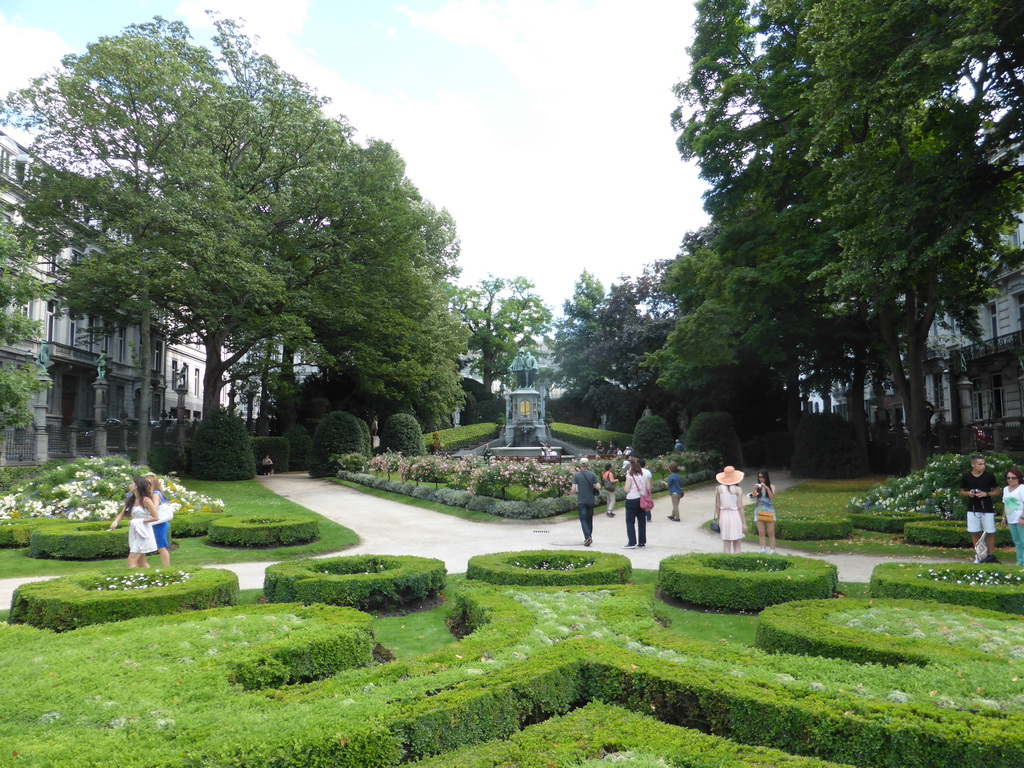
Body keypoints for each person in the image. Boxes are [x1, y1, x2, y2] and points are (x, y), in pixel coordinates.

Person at [108, 476, 159, 568]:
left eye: (132, 483)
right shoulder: (131, 500)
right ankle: (151, 577)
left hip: (143, 532)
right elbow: (122, 513)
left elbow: (156, 517)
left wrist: (138, 521)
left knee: (131, 560)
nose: (130, 485)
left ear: (137, 486)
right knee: (141, 562)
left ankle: (130, 579)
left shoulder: (146, 501)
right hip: (134, 531)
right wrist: (115, 522)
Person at [960, 455, 1000, 562]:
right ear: (973, 465)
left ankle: (990, 556)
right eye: (980, 464)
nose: (983, 466)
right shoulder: (966, 476)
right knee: (974, 532)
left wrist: (986, 494)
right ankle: (979, 555)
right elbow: (962, 491)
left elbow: (997, 492)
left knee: (990, 532)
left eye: (984, 464)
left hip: (987, 508)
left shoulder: (989, 476)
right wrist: (969, 493)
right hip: (972, 508)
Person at [715, 466, 747, 554]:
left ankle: (726, 562)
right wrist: (744, 523)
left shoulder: (719, 489)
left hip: (724, 516)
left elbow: (717, 506)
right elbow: (740, 507)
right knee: (737, 544)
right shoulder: (737, 489)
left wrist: (719, 519)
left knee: (726, 544)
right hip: (735, 515)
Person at [571, 457, 601, 547]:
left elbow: (573, 489)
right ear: (588, 465)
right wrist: (593, 485)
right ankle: (589, 536)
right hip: (590, 500)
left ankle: (587, 536)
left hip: (581, 500)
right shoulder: (592, 475)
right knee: (589, 519)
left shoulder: (576, 475)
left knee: (583, 519)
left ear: (580, 465)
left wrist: (575, 491)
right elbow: (599, 487)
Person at [146, 473, 174, 566]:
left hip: (159, 523)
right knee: (160, 546)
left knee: (161, 546)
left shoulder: (155, 493)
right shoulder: (158, 493)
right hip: (159, 522)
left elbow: (155, 506)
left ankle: (166, 567)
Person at [623, 457, 649, 549]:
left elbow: (626, 489)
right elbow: (648, 488)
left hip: (632, 499)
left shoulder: (630, 476)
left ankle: (632, 542)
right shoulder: (644, 475)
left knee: (630, 521)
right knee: (641, 520)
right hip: (641, 498)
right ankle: (642, 541)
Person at [748, 470, 776, 554]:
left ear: (766, 477)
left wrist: (767, 488)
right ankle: (763, 549)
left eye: (762, 477)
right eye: (759, 477)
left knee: (771, 532)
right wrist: (754, 489)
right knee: (761, 532)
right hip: (759, 510)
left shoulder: (771, 486)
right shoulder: (758, 487)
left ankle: (772, 550)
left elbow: (772, 497)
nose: (761, 479)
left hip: (769, 510)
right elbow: (753, 497)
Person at [1002, 467, 1024, 566]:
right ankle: (1019, 562)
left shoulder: (1022, 488)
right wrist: (1004, 518)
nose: (1010, 480)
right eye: (1008, 478)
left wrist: (1022, 518)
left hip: (1020, 518)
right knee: (1017, 542)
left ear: (1018, 478)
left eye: (1013, 478)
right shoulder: (1006, 489)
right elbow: (1005, 504)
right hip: (1011, 519)